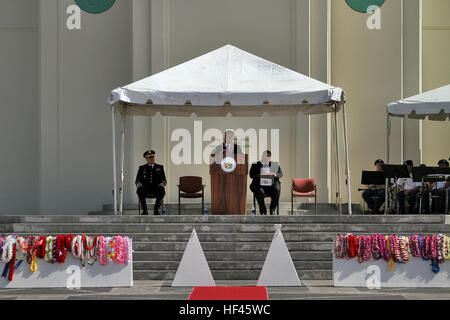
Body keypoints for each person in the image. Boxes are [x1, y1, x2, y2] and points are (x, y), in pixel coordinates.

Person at [249, 150, 283, 215]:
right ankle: (263, 209)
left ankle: (272, 209)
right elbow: (251, 175)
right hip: (260, 186)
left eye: (268, 156)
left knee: (277, 189)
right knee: (259, 191)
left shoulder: (275, 164)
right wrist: (259, 175)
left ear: (270, 157)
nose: (267, 158)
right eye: (265, 156)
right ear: (262, 156)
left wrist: (275, 175)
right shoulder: (255, 165)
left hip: (271, 186)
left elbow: (280, 174)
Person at [135, 150, 167, 215]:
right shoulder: (142, 168)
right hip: (146, 188)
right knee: (139, 190)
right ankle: (145, 210)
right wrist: (138, 183)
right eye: (149, 158)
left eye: (152, 157)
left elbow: (164, 179)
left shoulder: (160, 167)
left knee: (162, 191)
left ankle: (156, 210)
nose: (151, 159)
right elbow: (137, 179)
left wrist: (163, 183)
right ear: (146, 159)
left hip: (156, 188)